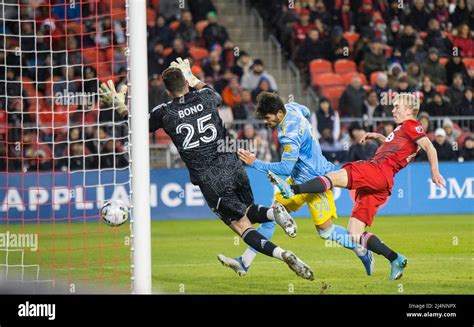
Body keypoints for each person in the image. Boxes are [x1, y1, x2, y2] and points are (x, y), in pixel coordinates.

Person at [99, 59, 314, 280]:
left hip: (209, 178)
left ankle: (282, 251)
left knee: (241, 226)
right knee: (248, 210)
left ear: (166, 90)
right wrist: (191, 76)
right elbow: (212, 93)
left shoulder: (164, 112)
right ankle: (271, 213)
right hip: (233, 165)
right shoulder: (206, 96)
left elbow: (137, 126)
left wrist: (120, 106)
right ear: (186, 81)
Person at [269, 93, 446, 280]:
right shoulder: (404, 129)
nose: (393, 110)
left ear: (410, 110)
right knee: (354, 234)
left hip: (377, 170)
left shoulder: (412, 125)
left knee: (332, 177)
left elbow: (430, 147)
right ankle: (395, 258)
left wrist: (434, 171)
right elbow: (399, 148)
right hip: (384, 183)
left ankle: (293, 190)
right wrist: (379, 137)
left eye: (397, 106)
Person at [217, 92, 374, 277]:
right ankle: (244, 262)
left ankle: (362, 250)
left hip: (317, 181)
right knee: (273, 215)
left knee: (326, 232)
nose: (266, 123)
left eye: (268, 118)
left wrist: (255, 163)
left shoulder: (288, 135)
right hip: (297, 181)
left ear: (279, 114)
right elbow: (306, 111)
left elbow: (284, 167)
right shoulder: (292, 108)